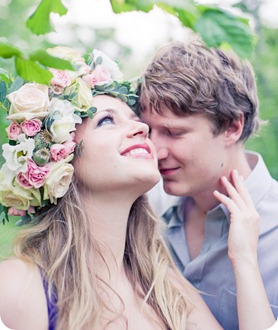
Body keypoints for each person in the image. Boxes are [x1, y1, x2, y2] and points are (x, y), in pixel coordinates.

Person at [0, 46, 274, 330]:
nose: (147, 135)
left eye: (174, 132)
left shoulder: (170, 293)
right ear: (60, 159)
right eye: (107, 121)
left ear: (232, 128)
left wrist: (244, 260)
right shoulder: (16, 289)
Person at [139, 39, 278, 330]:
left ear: (232, 127)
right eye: (149, 130)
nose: (154, 149)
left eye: (173, 132)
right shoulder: (144, 206)